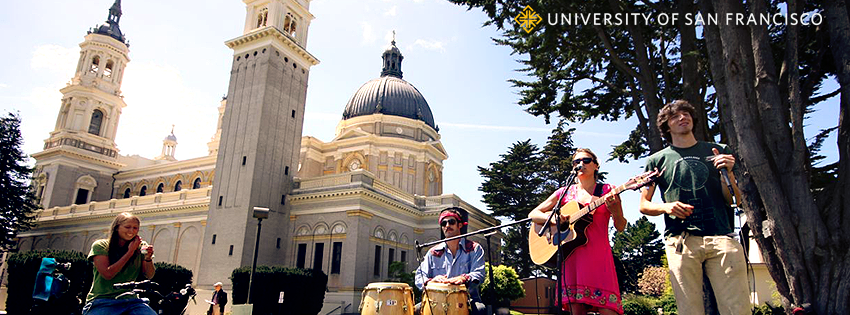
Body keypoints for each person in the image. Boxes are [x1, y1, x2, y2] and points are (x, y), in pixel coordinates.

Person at [639, 100, 750, 315]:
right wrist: (667, 207)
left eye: (686, 113)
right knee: (689, 310)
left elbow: (735, 201)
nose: (682, 117)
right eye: (675, 116)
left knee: (737, 309)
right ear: (666, 127)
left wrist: (728, 173)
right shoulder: (657, 160)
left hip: (722, 238)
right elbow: (644, 205)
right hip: (681, 242)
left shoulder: (718, 151)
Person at [528, 148, 626, 315]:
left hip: (598, 257)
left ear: (596, 165)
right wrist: (553, 219)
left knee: (608, 310)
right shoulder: (564, 192)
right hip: (571, 256)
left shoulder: (608, 190)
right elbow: (533, 214)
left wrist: (616, 211)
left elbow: (621, 226)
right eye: (576, 162)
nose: (581, 164)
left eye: (586, 161)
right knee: (576, 310)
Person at [415, 207, 486, 315]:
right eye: (444, 223)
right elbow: (419, 276)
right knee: (414, 309)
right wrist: (431, 281)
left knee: (480, 309)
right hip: (435, 300)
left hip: (466, 300)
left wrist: (463, 278)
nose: (447, 226)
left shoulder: (474, 248)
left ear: (460, 225)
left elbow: (479, 274)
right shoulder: (433, 252)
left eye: (451, 222)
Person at [83, 212, 156, 315]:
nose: (131, 231)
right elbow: (108, 274)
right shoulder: (100, 246)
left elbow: (149, 275)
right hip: (103, 301)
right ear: (117, 228)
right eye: (127, 227)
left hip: (132, 301)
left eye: (135, 228)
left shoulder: (140, 246)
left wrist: (148, 259)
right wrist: (130, 252)